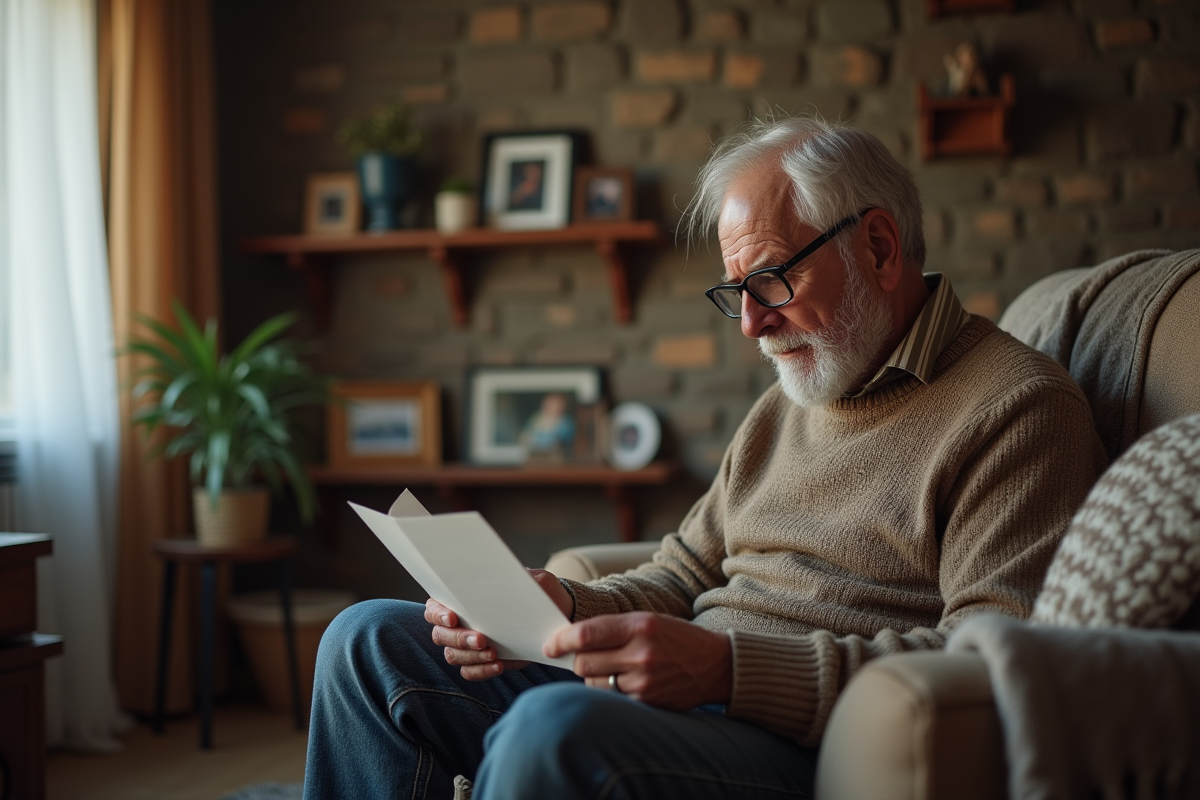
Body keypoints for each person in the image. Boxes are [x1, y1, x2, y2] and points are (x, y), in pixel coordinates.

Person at [303, 116, 1107, 800]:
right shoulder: (791, 402)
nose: (752, 325)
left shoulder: (1017, 411)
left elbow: (991, 669)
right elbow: (682, 575)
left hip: (807, 745)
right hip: (685, 702)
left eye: (769, 280)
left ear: (880, 247)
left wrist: (729, 671)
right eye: (736, 292)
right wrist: (563, 605)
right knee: (365, 641)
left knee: (555, 730)